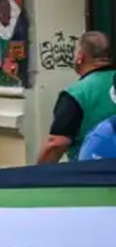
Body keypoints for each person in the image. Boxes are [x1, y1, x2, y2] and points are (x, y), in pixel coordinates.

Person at [37, 31, 116, 163]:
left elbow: (56, 144)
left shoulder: (77, 93)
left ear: (80, 56)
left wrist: (37, 172)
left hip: (91, 170)